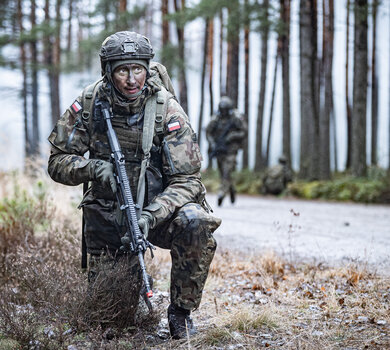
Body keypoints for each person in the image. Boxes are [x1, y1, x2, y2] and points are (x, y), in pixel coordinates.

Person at [47, 31, 221, 339]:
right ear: (108, 71)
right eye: (122, 70)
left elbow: (187, 180)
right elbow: (58, 161)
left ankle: (181, 312)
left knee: (195, 221)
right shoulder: (89, 103)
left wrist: (151, 214)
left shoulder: (166, 109)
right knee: (111, 321)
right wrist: (93, 168)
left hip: (158, 213)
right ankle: (137, 287)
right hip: (109, 219)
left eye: (137, 69)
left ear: (147, 68)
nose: (131, 79)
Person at [206, 96, 247, 206]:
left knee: (227, 172)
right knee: (223, 173)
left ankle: (222, 193)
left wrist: (233, 136)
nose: (223, 112)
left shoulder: (236, 118)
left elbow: (243, 131)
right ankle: (231, 190)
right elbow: (208, 132)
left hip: (231, 150)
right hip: (220, 150)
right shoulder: (216, 119)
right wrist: (212, 143)